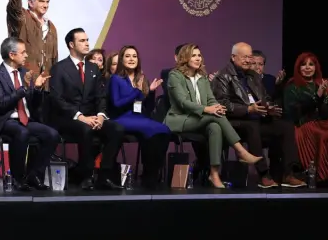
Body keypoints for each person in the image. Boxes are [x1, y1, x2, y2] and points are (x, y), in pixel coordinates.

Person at [165, 43, 263, 188]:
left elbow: (211, 99)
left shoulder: (202, 77)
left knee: (215, 127)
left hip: (199, 118)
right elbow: (182, 102)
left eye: (199, 55)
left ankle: (214, 173)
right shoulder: (175, 75)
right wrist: (208, 109)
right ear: (185, 57)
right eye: (193, 55)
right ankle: (241, 151)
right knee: (213, 117)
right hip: (179, 119)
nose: (198, 58)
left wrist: (217, 107)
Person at [212, 42, 304, 188]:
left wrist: (268, 108)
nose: (248, 60)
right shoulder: (222, 77)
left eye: (250, 57)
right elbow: (223, 105)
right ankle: (263, 175)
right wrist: (248, 109)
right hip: (234, 123)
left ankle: (289, 173)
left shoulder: (253, 75)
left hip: (257, 119)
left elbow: (265, 96)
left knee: (285, 126)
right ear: (233, 57)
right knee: (252, 126)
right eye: (244, 57)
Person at [49, 28, 124, 190]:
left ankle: (104, 175)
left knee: (116, 129)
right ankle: (85, 176)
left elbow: (100, 97)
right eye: (82, 41)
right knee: (86, 130)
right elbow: (57, 100)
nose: (87, 43)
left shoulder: (93, 68)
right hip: (69, 119)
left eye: (87, 40)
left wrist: (101, 116)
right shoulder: (59, 68)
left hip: (93, 117)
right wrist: (80, 116)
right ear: (71, 44)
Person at [0, 37, 60, 191]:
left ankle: (34, 174)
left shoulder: (25, 72)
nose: (26, 55)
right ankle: (18, 178)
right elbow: (2, 103)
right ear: (12, 55)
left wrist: (37, 89)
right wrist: (23, 88)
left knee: (52, 134)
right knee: (22, 133)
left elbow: (33, 104)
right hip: (6, 120)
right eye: (23, 52)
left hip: (26, 119)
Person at [283, 52, 328, 185]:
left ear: (316, 67)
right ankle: (320, 175)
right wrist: (316, 96)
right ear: (298, 68)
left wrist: (324, 97)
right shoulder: (292, 86)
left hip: (321, 121)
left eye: (311, 64)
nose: (307, 67)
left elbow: (326, 113)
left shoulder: (321, 83)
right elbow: (294, 112)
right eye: (303, 64)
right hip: (303, 124)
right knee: (323, 134)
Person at [107, 45, 170, 189]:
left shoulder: (141, 78)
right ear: (122, 59)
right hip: (122, 117)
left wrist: (151, 92)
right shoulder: (116, 79)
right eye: (127, 56)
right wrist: (137, 91)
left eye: (134, 56)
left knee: (164, 130)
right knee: (152, 129)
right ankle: (149, 175)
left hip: (139, 117)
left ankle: (151, 172)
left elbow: (147, 108)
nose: (131, 59)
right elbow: (117, 104)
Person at [7, 0, 58, 77]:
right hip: (24, 80)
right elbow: (14, 5)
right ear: (30, 2)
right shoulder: (22, 17)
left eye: (47, 2)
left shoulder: (51, 26)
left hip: (46, 84)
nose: (45, 5)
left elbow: (54, 57)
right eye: (41, 1)